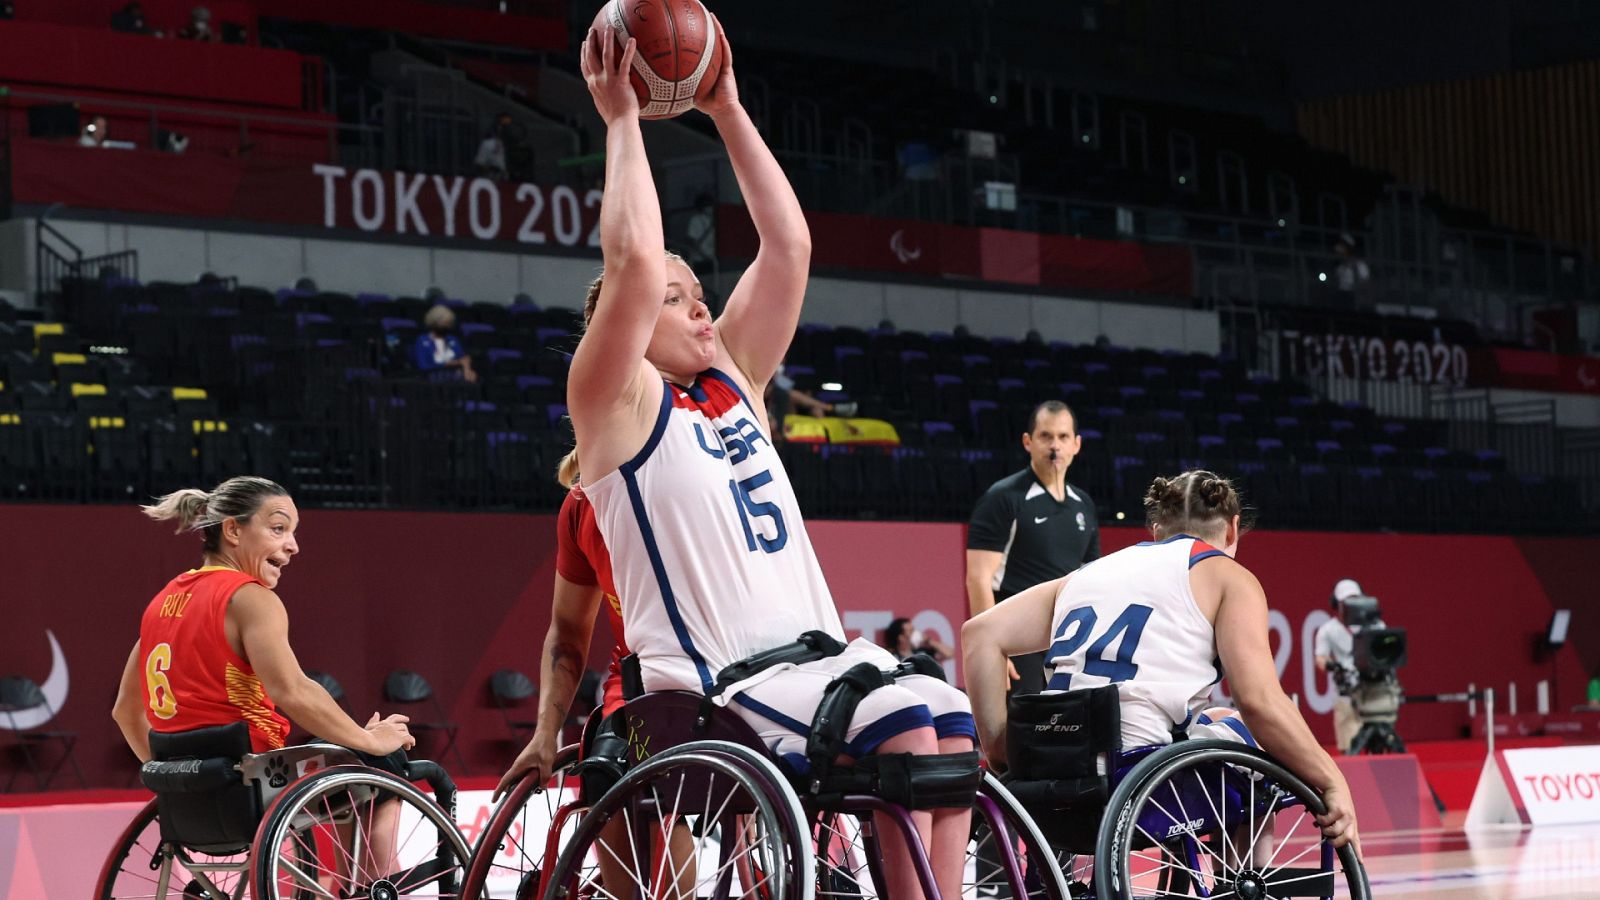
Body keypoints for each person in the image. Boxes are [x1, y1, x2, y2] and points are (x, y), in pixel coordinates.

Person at [569, 22, 974, 900]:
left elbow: (789, 249)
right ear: (633, 326)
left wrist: (728, 107)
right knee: (905, 722)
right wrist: (623, 117)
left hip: (812, 661)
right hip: (713, 686)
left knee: (948, 717)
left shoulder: (734, 380)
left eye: (701, 293)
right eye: (678, 301)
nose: (699, 307)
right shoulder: (614, 404)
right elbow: (634, 262)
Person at [962, 470, 1361, 855]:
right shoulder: (1227, 575)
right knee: (1262, 725)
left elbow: (979, 634)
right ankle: (1247, 877)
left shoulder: (1086, 574)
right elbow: (1260, 702)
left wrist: (1002, 756)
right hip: (1137, 775)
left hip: (1046, 768)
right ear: (1233, 529)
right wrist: (1331, 779)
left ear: (1155, 531)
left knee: (1213, 716)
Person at [110, 478, 417, 876]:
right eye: (278, 528)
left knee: (347, 759)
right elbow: (292, 690)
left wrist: (175, 780)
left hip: (196, 796)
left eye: (292, 532)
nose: (293, 545)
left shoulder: (161, 604)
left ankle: (342, 877)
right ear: (233, 530)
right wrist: (369, 740)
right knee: (386, 760)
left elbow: (124, 711)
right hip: (254, 780)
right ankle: (373, 883)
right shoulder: (251, 597)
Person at [966, 400, 1100, 694]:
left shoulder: (1084, 505)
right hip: (1015, 637)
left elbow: (1089, 579)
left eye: (1063, 437)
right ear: (1028, 442)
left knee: (1067, 731)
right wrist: (991, 651)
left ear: (1077, 445)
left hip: (1065, 636)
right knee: (1018, 734)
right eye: (1046, 436)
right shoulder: (1003, 498)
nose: (1055, 446)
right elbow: (978, 578)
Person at [1315, 578, 1383, 753]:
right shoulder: (1328, 630)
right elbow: (1320, 658)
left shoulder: (1376, 626)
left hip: (1374, 693)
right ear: (1337, 603)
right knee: (1349, 747)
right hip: (1346, 695)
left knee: (1379, 745)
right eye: (1346, 601)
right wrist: (1334, 667)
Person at [412, 303, 478, 382]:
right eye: (444, 323)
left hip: (455, 376)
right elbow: (423, 366)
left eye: (449, 324)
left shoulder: (452, 339)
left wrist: (467, 370)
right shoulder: (422, 340)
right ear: (434, 323)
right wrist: (447, 364)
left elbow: (463, 358)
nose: (447, 327)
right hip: (433, 378)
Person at [883, 617, 954, 664]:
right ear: (901, 637)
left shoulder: (923, 654)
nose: (915, 633)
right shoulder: (892, 657)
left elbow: (949, 653)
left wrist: (929, 641)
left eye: (914, 630)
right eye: (911, 631)